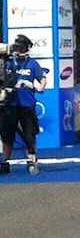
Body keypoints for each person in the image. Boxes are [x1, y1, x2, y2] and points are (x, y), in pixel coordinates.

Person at [0, 34, 47, 175]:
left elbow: (42, 78)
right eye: (17, 47)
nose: (19, 50)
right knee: (7, 135)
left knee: (29, 133)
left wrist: (40, 87)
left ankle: (31, 160)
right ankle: (5, 161)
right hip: (9, 104)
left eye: (22, 47)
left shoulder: (32, 63)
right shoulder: (7, 63)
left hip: (27, 104)